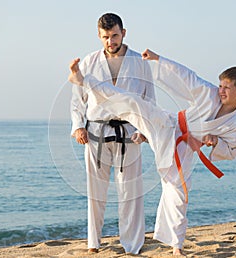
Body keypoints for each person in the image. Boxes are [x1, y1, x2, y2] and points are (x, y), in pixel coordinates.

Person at [68, 49, 236, 256]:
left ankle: (176, 246)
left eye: (227, 88)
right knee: (134, 102)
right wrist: (158, 60)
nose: (221, 91)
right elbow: (186, 76)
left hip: (184, 148)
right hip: (169, 125)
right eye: (220, 85)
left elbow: (234, 149)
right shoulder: (209, 93)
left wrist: (216, 142)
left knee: (178, 193)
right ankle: (83, 80)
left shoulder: (235, 124)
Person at [69, 13, 155, 254]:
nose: (110, 41)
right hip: (96, 131)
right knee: (95, 192)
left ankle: (132, 245)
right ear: (99, 36)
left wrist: (144, 130)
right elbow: (77, 100)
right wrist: (78, 126)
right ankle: (93, 243)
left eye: (115, 35)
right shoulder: (88, 62)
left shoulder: (140, 62)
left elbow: (150, 100)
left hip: (129, 132)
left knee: (130, 192)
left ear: (124, 33)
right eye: (106, 37)